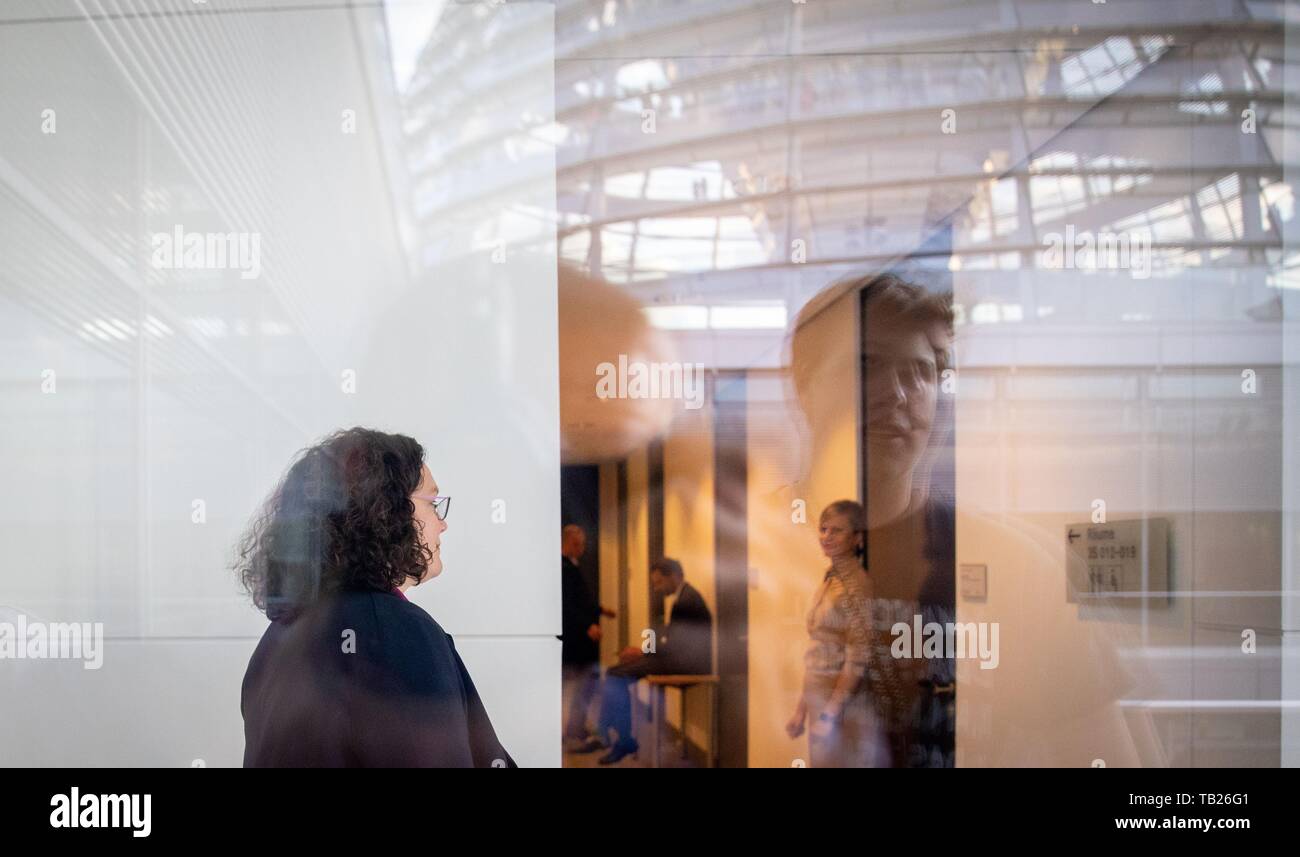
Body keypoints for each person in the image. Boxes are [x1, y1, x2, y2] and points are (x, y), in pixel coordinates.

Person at [235, 427, 514, 767]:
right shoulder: (396, 632)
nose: (443, 525)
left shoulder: (277, 640)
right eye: (431, 503)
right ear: (387, 511)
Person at [786, 500, 892, 767]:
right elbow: (817, 652)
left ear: (857, 538)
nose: (827, 537)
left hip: (843, 705)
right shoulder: (831, 579)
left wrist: (829, 714)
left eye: (837, 531)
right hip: (820, 697)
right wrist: (802, 709)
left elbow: (857, 655)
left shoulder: (857, 585)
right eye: (823, 529)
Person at [588, 558, 712, 764]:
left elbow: (676, 647)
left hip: (686, 664)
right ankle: (611, 734)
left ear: (673, 576)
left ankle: (616, 736)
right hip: (681, 659)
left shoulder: (687, 601)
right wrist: (643, 652)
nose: (656, 588)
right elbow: (674, 643)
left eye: (658, 583)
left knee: (615, 674)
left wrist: (642, 652)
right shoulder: (685, 597)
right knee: (615, 673)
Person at [560, 524, 604, 752]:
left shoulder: (572, 566)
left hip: (579, 640)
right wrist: (587, 625)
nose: (582, 549)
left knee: (582, 688)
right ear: (567, 542)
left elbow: (581, 600)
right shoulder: (564, 568)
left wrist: (601, 610)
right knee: (578, 688)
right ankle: (574, 731)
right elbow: (567, 605)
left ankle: (575, 728)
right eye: (578, 544)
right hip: (575, 640)